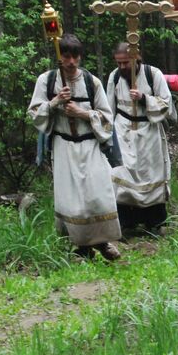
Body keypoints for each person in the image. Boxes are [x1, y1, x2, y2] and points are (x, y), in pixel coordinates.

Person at [28, 33, 121, 260]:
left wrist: (83, 113)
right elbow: (34, 113)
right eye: (66, 57)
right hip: (64, 146)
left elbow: (108, 119)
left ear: (80, 57)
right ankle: (81, 247)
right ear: (60, 57)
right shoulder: (47, 80)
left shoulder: (92, 82)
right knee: (72, 201)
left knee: (98, 195)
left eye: (75, 57)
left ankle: (103, 243)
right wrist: (55, 102)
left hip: (90, 145)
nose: (71, 62)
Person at [106, 42, 175, 233]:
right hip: (123, 131)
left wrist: (144, 98)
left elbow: (166, 104)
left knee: (150, 175)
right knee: (122, 175)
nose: (121, 67)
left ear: (136, 59)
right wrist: (107, 134)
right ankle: (127, 222)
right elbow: (109, 108)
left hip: (149, 130)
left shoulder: (154, 75)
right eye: (118, 63)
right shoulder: (114, 77)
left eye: (125, 63)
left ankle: (154, 222)